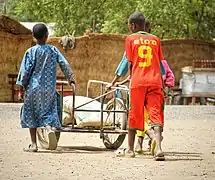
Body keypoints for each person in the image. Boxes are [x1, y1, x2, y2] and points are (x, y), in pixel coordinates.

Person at [111, 12, 165, 160]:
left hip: (138, 82)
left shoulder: (130, 39)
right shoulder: (155, 40)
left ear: (133, 25)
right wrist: (163, 81)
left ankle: (130, 149)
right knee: (155, 114)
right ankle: (158, 148)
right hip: (155, 82)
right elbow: (161, 67)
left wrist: (115, 80)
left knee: (134, 114)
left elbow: (126, 63)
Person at [16, 23, 75, 152]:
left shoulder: (30, 52)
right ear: (47, 36)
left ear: (33, 36)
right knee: (49, 111)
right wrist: (70, 78)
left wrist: (21, 90)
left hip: (33, 88)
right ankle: (49, 129)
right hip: (49, 88)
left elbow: (25, 72)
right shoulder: (53, 50)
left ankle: (33, 144)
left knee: (31, 113)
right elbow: (64, 63)